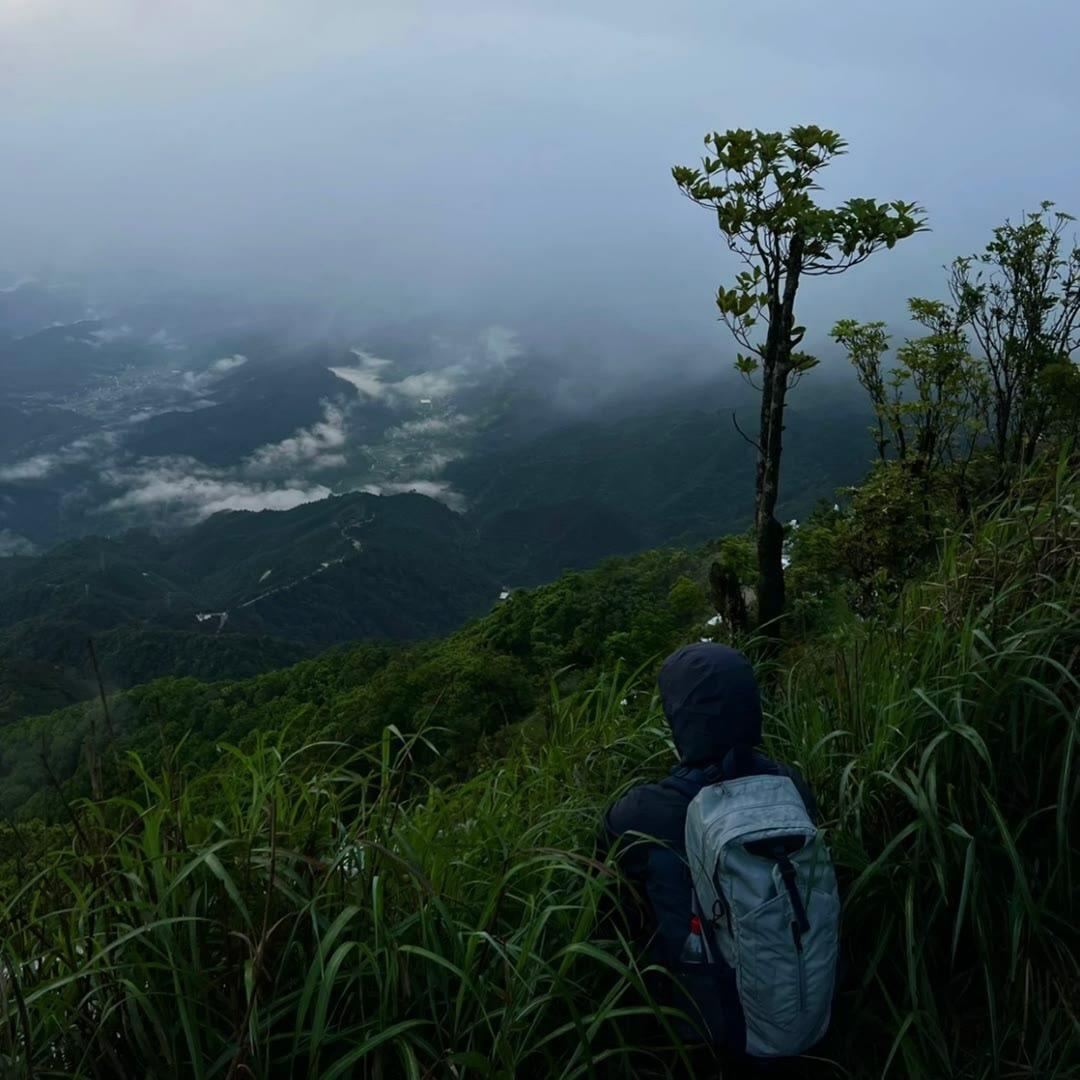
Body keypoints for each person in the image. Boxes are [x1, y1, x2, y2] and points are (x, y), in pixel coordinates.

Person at [599, 641, 818, 1050]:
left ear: (679, 718)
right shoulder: (790, 787)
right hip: (803, 1000)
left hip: (704, 1029)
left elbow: (608, 914)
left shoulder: (640, 814)